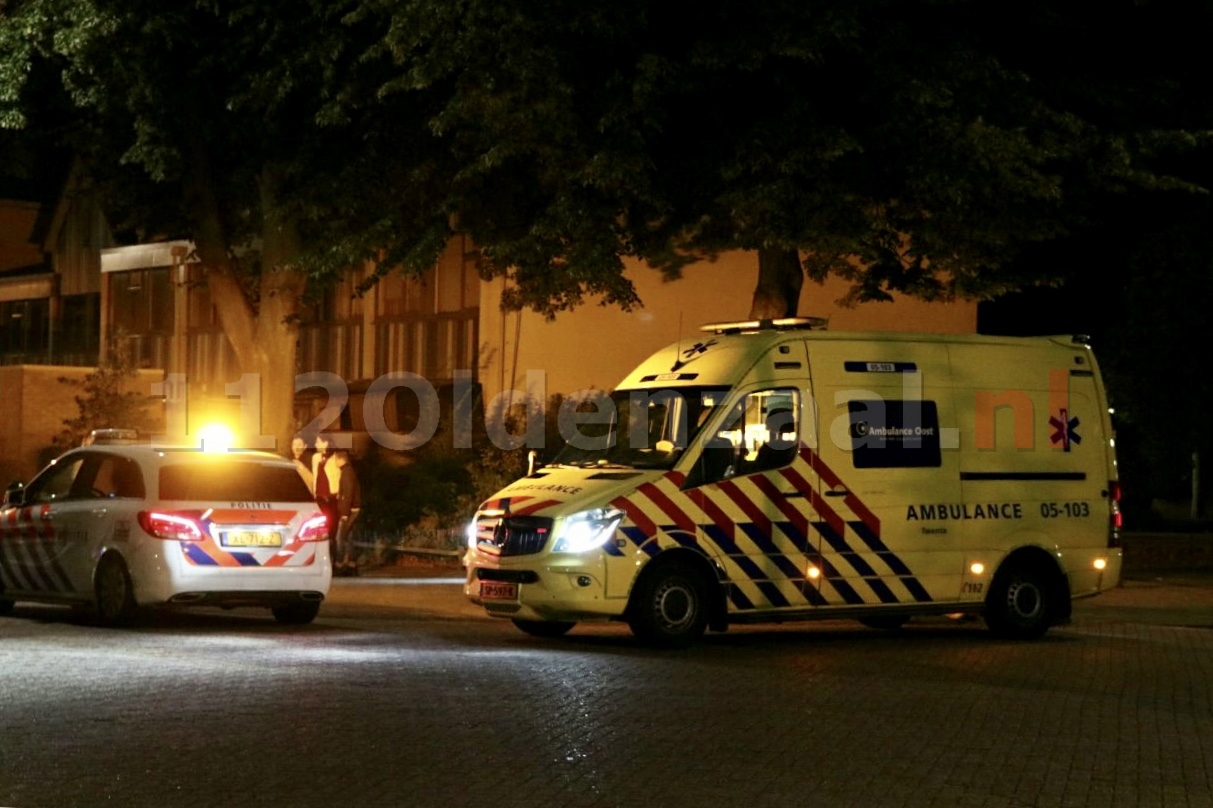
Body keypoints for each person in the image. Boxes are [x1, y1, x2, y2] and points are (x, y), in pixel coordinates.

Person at [310, 434, 341, 568]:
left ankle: (332, 561)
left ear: (326, 443)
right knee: (318, 530)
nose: (316, 445)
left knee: (331, 530)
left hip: (331, 499)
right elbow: (315, 476)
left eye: (318, 442)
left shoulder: (335, 458)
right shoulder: (315, 458)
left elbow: (338, 477)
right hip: (319, 498)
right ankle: (319, 560)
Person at [332, 450, 362, 576]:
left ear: (341, 460)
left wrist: (344, 513)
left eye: (335, 460)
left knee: (340, 538)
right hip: (353, 509)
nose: (334, 462)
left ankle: (339, 564)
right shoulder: (348, 471)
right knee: (349, 539)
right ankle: (351, 565)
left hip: (349, 511)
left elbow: (348, 494)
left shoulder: (346, 473)